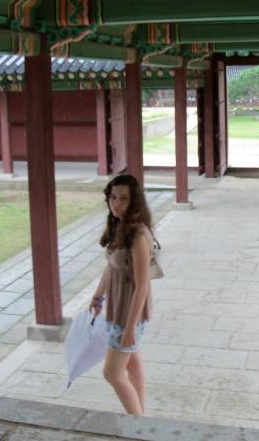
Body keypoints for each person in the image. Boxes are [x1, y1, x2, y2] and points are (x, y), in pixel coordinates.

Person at [89, 174, 153, 416]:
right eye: (113, 197)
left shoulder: (138, 235)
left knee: (112, 373)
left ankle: (137, 424)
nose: (116, 203)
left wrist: (129, 327)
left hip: (129, 312)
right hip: (117, 307)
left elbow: (142, 286)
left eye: (123, 198)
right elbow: (112, 266)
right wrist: (97, 296)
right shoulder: (119, 225)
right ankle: (141, 419)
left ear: (134, 201)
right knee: (132, 364)